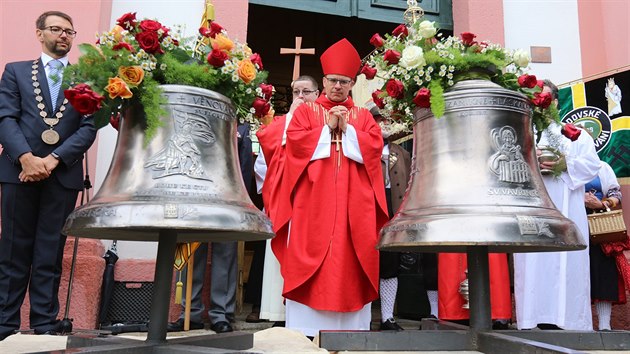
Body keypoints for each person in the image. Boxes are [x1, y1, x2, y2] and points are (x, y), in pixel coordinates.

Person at [272, 38, 389, 337]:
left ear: (352, 84)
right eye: (333, 80)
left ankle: (350, 331)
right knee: (310, 253)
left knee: (351, 256)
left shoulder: (363, 117)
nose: (338, 86)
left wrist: (348, 131)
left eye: (344, 81)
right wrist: (326, 130)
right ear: (323, 81)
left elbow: (374, 149)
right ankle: (304, 330)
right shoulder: (305, 112)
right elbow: (294, 145)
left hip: (355, 204)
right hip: (313, 202)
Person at [0, 11, 97, 340]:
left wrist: (53, 159)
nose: (64, 36)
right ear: (39, 33)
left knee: (50, 251)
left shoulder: (86, 79)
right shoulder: (15, 72)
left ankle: (43, 320)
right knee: (13, 249)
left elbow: (87, 129)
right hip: (18, 172)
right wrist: (27, 158)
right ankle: (4, 321)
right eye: (56, 29)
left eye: (69, 31)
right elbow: (6, 119)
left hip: (62, 174)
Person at [513, 80, 600, 331]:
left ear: (556, 103)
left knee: (566, 261)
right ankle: (531, 318)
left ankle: (567, 319)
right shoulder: (521, 133)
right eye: (535, 100)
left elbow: (592, 165)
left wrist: (564, 163)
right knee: (533, 261)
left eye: (545, 100)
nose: (540, 105)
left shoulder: (575, 134)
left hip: (566, 206)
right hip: (531, 207)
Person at [167, 123, 253, 334]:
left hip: (226, 199)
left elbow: (243, 166)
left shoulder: (240, 128)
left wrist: (240, 199)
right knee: (189, 255)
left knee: (225, 256)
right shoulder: (187, 123)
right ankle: (189, 313)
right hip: (192, 196)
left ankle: (221, 314)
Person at [254, 75, 320, 324]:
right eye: (296, 92)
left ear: (317, 94)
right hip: (285, 200)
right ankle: (278, 313)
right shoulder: (281, 122)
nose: (301, 97)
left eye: (306, 92)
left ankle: (308, 313)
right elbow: (265, 164)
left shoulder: (325, 121)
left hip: (314, 202)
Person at [367, 102, 411, 331]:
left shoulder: (402, 153)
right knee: (364, 262)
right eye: (378, 120)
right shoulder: (363, 148)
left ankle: (387, 317)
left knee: (390, 264)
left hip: (392, 212)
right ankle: (361, 315)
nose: (383, 125)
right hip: (367, 210)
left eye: (387, 121)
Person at [585, 160, 627, 331]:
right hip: (571, 225)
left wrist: (602, 204)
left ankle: (604, 324)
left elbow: (616, 193)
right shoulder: (562, 167)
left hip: (599, 226)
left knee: (603, 271)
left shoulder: (601, 166)